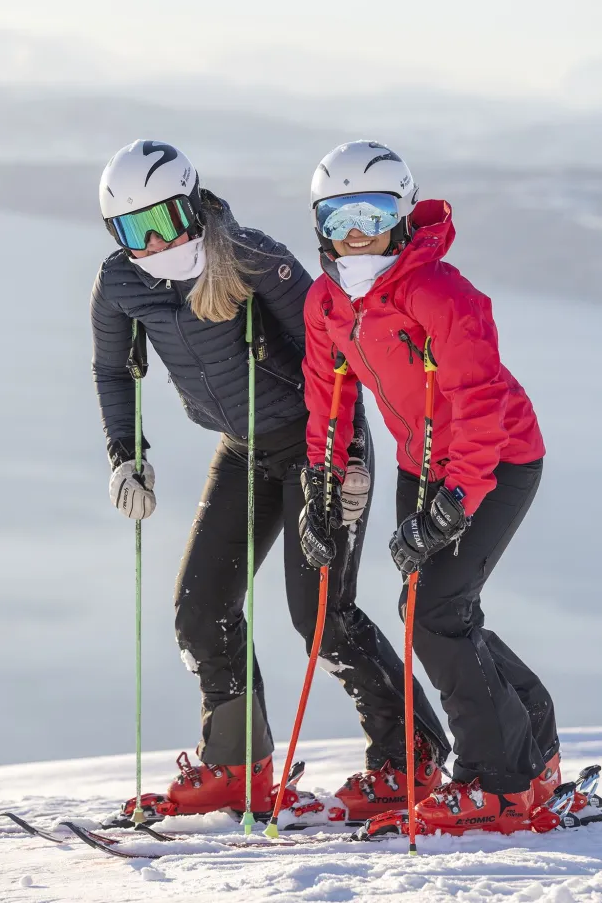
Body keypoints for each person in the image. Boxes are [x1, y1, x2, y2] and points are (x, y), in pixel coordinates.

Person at [91, 139, 449, 822]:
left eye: (167, 219)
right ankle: (237, 768)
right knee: (200, 609)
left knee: (321, 619)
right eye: (136, 230)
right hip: (244, 449)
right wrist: (125, 455)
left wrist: (340, 460)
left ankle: (410, 762)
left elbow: (336, 355)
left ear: (194, 203)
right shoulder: (120, 282)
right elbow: (113, 371)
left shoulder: (255, 260)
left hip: (317, 449)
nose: (156, 242)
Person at [299, 140, 559, 836]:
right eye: (338, 218)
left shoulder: (441, 293)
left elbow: (477, 399)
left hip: (497, 458)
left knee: (435, 612)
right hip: (423, 463)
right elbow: (327, 398)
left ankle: (497, 784)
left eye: (373, 214)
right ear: (318, 223)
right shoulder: (326, 302)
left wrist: (457, 500)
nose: (356, 234)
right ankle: (531, 744)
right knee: (432, 605)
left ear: (403, 216)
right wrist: (321, 490)